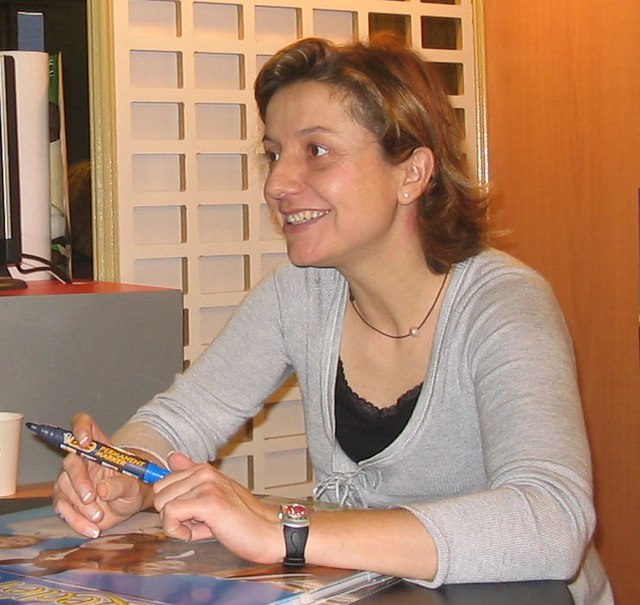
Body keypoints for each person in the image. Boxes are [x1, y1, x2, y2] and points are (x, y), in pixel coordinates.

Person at [52, 36, 613, 604]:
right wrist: (125, 473)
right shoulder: (303, 293)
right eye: (275, 153)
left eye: (316, 150)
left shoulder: (503, 304)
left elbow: (552, 520)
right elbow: (183, 417)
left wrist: (286, 530)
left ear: (412, 173)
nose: (277, 184)